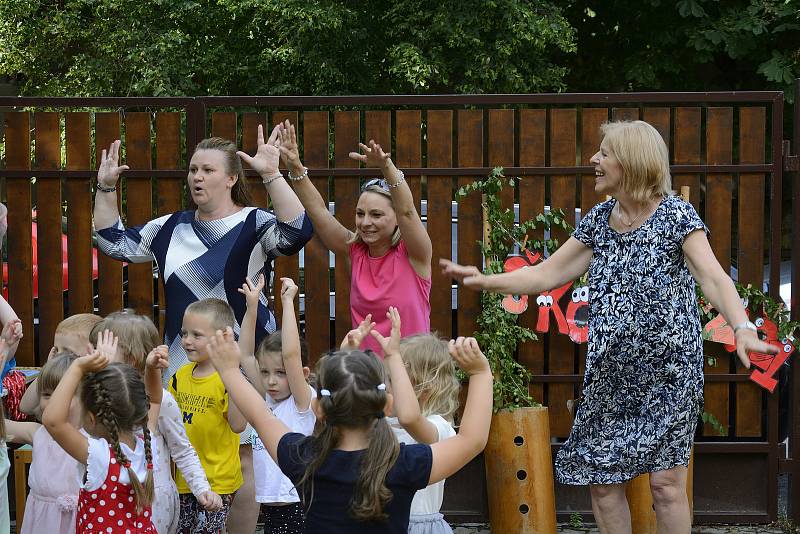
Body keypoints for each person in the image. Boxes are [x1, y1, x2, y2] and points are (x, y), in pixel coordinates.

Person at [440, 119, 780, 534]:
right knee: (601, 484)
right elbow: (546, 274)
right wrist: (486, 279)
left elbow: (713, 277)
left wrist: (742, 326)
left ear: (632, 161)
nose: (594, 160)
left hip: (668, 374)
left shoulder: (675, 215)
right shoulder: (600, 219)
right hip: (610, 376)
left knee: (667, 485)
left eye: (604, 153)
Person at [205, 326, 492, 534]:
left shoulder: (304, 459)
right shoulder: (404, 464)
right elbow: (473, 440)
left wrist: (229, 370)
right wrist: (480, 373)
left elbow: (260, 416)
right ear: (387, 405)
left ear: (319, 409)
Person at [93, 128, 313, 382]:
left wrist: (271, 174)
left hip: (248, 365)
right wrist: (106, 188)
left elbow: (298, 232)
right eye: (193, 170)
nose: (197, 177)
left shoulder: (254, 222)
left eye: (208, 171)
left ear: (231, 179)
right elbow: (114, 243)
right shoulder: (168, 228)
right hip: (182, 366)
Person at [276, 120, 432, 354]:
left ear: (397, 218)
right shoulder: (353, 251)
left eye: (377, 214)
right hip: (367, 378)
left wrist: (386, 167)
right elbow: (318, 210)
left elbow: (408, 210)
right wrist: (296, 168)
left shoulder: (415, 255)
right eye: (360, 214)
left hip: (413, 375)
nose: (366, 222)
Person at [90, 310, 222, 533]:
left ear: (131, 358)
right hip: (110, 501)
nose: (95, 354)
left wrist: (202, 489)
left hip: (153, 505)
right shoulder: (97, 398)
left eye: (104, 349)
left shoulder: (162, 402)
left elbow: (182, 449)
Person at [42, 331, 165, 533]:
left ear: (91, 418)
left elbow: (52, 421)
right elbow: (155, 400)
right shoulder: (146, 445)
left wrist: (78, 367)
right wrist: (151, 369)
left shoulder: (100, 456)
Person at [239, 275, 316, 533]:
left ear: (301, 374)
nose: (271, 381)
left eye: (281, 373)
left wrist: (288, 302)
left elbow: (291, 354)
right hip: (270, 508)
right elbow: (246, 356)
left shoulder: (301, 403)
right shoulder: (267, 398)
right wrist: (251, 309)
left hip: (298, 505)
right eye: (265, 373)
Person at [169, 298, 247, 533]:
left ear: (223, 336)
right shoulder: (179, 376)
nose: (187, 341)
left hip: (217, 482)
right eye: (184, 333)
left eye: (196, 335)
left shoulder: (229, 379)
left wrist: (233, 376)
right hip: (183, 479)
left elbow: (238, 425)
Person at [6, 353, 81, 534]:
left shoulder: (91, 439)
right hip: (41, 521)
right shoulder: (38, 433)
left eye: (65, 395)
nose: (55, 402)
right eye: (47, 394)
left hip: (79, 520)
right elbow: (3, 427)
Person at [20, 313, 102, 419]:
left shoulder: (95, 383)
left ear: (94, 353)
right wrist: (48, 366)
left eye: (67, 351)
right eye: (56, 350)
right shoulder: (58, 377)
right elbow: (26, 407)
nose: (58, 356)